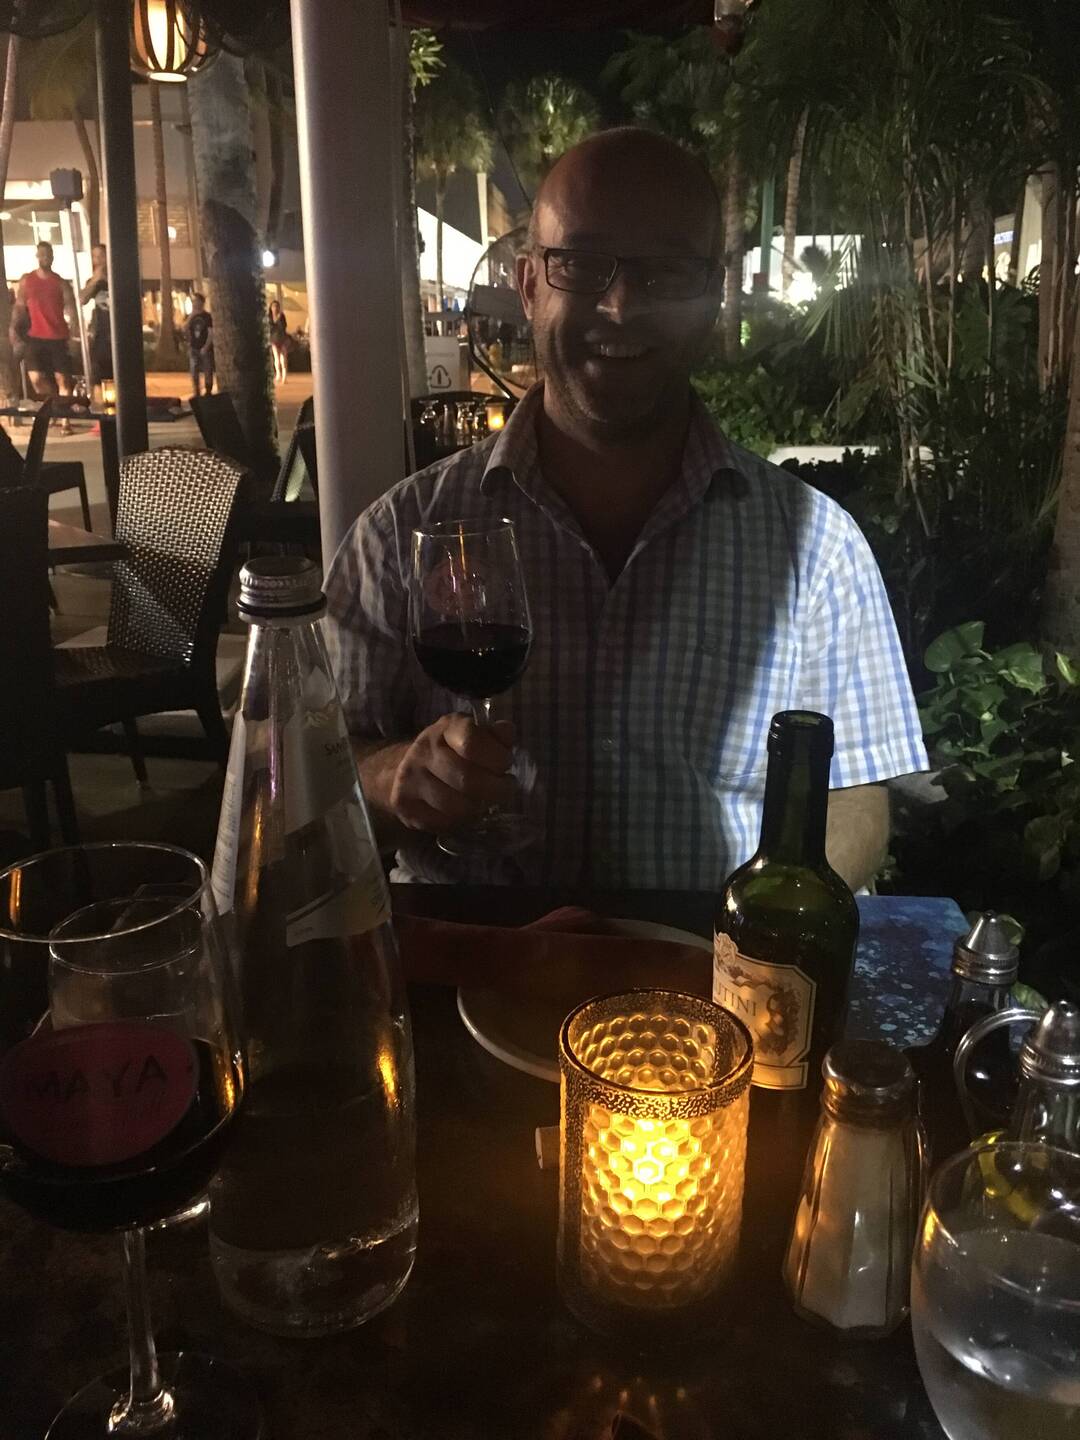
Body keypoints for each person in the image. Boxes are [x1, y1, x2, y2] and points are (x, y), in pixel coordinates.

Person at [324, 127, 928, 892]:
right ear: (529, 284)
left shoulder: (818, 550)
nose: (620, 306)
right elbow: (312, 767)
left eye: (667, 271)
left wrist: (771, 920)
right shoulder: (399, 535)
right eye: (581, 264)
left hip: (707, 958)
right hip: (475, 951)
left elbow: (857, 794)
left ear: (713, 295)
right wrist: (391, 779)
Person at [11, 241, 76, 428]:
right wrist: (13, 327)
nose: (45, 258)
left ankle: (65, 419)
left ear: (52, 257)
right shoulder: (27, 280)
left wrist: (74, 332)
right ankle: (53, 404)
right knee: (36, 379)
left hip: (58, 336)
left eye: (48, 254)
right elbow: (19, 306)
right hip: (35, 336)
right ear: (37, 256)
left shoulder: (60, 282)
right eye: (42, 254)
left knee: (62, 379)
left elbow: (71, 309)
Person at [80, 243, 113, 393]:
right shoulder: (94, 282)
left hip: (118, 332)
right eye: (95, 256)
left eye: (101, 256)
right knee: (99, 372)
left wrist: (106, 278)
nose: (98, 260)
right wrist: (95, 280)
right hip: (101, 333)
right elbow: (82, 299)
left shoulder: (117, 278)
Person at [184, 292, 214, 396]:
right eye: (194, 301)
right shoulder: (191, 316)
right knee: (194, 371)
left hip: (204, 347)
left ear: (201, 302)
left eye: (196, 301)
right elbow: (185, 329)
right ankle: (196, 391)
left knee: (207, 370)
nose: (195, 303)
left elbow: (211, 333)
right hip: (194, 348)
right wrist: (191, 316)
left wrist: (206, 346)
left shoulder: (207, 316)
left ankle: (208, 391)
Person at [268, 299, 288, 383]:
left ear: (279, 308)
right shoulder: (269, 317)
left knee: (283, 358)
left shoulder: (282, 316)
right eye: (273, 306)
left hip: (282, 339)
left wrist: (279, 319)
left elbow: (284, 327)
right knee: (276, 358)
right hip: (274, 339)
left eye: (276, 306)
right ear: (271, 308)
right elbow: (269, 328)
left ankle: (284, 376)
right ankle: (278, 374)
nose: (275, 308)